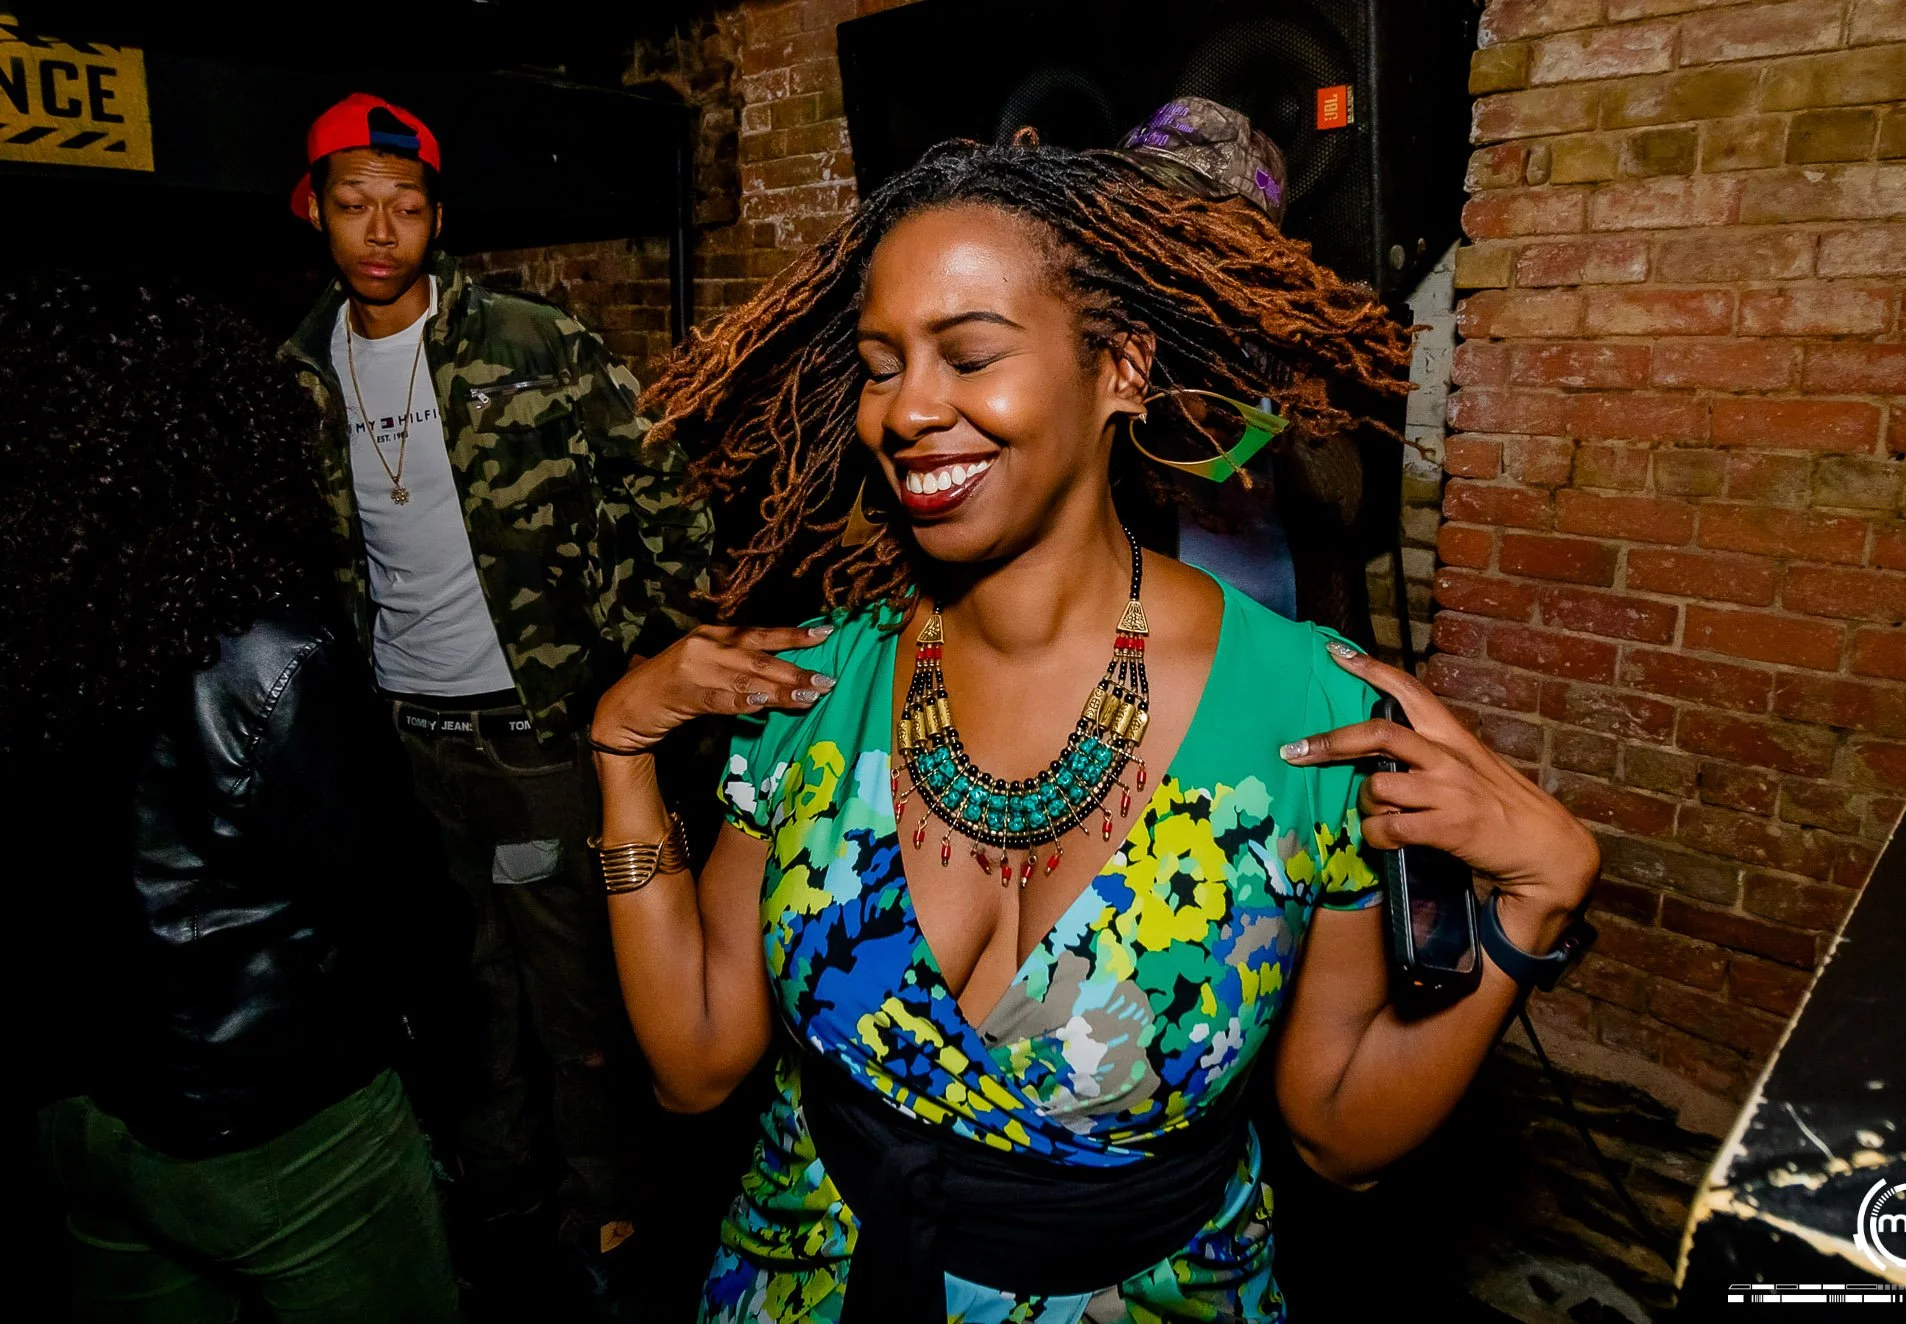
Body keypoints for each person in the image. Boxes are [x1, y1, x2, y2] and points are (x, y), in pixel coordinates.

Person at [586, 138, 1600, 1322]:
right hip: (803, 1277)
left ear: (1119, 370)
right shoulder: (813, 684)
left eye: (969, 355)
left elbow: (1340, 1136)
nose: (907, 410)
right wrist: (619, 758)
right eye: (879, 366)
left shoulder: (1306, 715)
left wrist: (1531, 909)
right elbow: (695, 1065)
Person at [277, 92, 712, 1307]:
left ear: (437, 217)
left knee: (574, 997)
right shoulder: (295, 374)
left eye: (405, 206)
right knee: (458, 993)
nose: (380, 230)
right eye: (354, 204)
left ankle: (609, 1213)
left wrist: (638, 668)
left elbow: (664, 499)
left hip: (537, 734)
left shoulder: (531, 341)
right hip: (399, 743)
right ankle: (503, 1210)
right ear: (314, 212)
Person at [6, 272, 457, 1322]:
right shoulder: (268, 656)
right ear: (217, 431)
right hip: (278, 1133)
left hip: (83, 1109)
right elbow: (390, 895)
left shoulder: (33, 621)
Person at [1113, 96, 1381, 644]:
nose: (1158, 228)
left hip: (1284, 638)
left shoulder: (1300, 336)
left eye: (1187, 209)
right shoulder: (1109, 329)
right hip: (1150, 644)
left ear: (1251, 239)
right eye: (1141, 204)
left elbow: (1348, 505)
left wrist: (1284, 393)